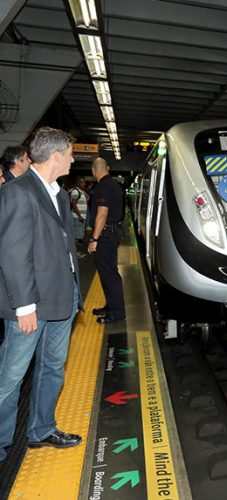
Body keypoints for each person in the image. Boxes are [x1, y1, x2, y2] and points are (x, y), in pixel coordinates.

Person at [0, 127, 83, 463]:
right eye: (70, 154)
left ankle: (42, 429)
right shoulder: (18, 192)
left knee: (52, 367)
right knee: (10, 376)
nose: (73, 160)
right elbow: (13, 253)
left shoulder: (58, 194)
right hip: (31, 304)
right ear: (56, 155)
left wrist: (75, 291)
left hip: (62, 297)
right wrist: (24, 306)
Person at [88, 157, 125, 324]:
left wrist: (94, 238)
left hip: (105, 235)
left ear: (93, 171)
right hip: (112, 233)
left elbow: (102, 214)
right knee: (107, 272)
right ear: (108, 168)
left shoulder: (102, 187)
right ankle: (111, 306)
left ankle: (117, 312)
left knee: (109, 274)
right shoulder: (114, 185)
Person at [69, 176, 88, 257]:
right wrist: (79, 216)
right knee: (76, 236)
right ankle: (75, 253)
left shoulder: (81, 192)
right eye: (82, 182)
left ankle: (75, 252)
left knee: (78, 236)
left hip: (80, 217)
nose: (84, 184)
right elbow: (73, 204)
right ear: (78, 183)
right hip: (77, 218)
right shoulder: (75, 192)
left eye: (84, 182)